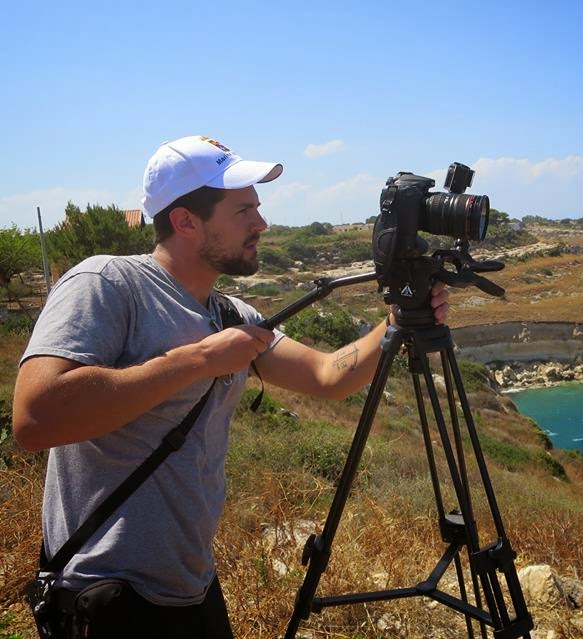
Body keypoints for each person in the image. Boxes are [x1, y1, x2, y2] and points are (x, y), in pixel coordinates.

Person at [12, 135, 449, 638]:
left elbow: (330, 376)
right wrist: (198, 359)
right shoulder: (107, 283)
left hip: (193, 590)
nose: (261, 224)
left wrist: (397, 320)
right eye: (244, 210)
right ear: (185, 221)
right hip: (107, 596)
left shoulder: (228, 315)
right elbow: (35, 417)